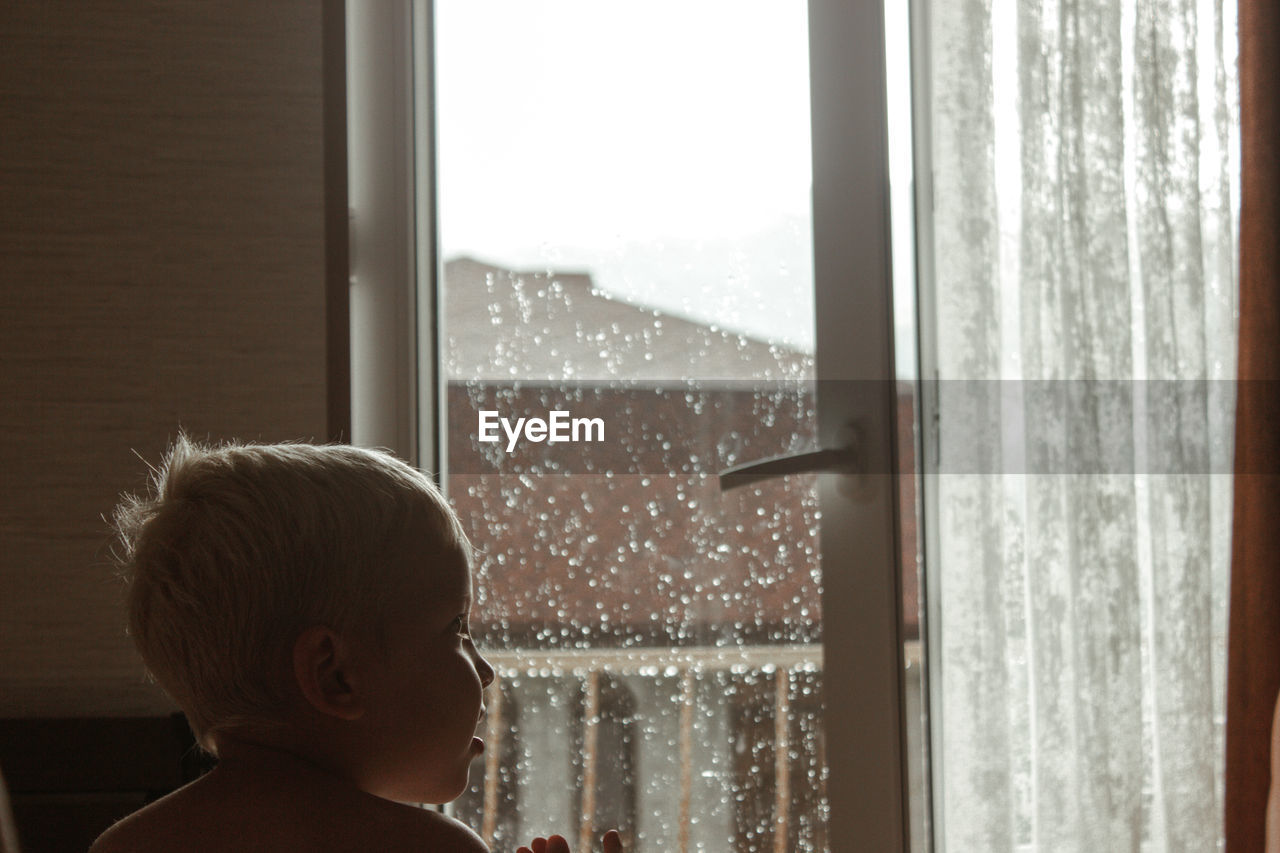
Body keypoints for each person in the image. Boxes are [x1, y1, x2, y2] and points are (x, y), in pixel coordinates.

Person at [90, 436, 621, 853]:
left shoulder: (124, 845)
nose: (485, 671)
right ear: (335, 676)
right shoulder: (429, 850)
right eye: (456, 629)